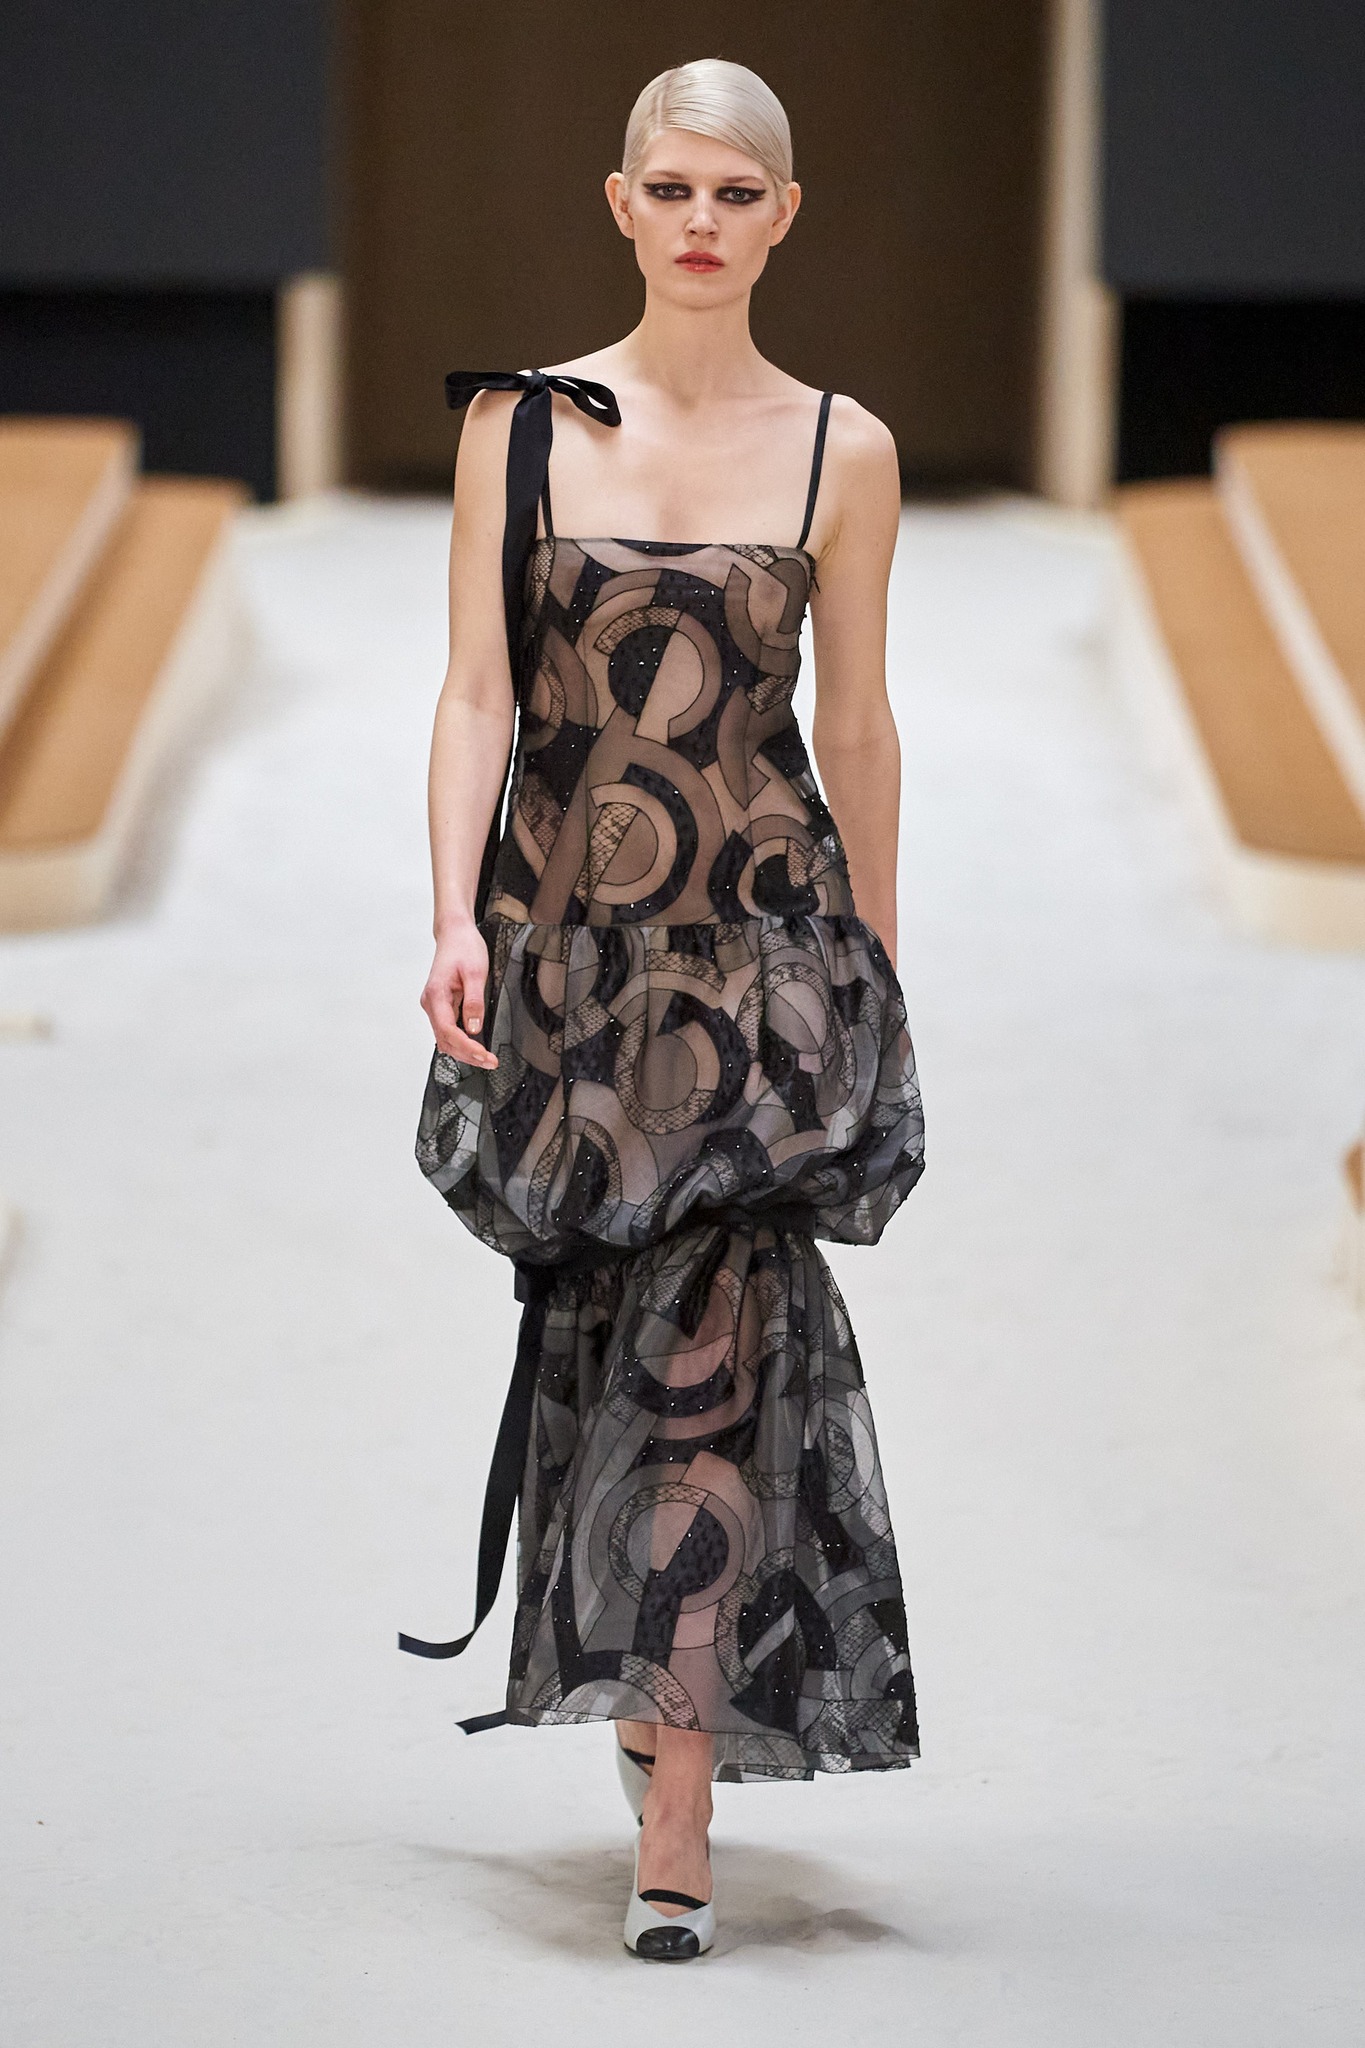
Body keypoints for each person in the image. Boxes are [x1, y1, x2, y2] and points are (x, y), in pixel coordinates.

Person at [405, 56, 925, 1962]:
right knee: (603, 1339)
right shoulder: (521, 429)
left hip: (754, 955)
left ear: (783, 217)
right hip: (570, 952)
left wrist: (872, 959)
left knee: (714, 1352)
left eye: (737, 193)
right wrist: (447, 915)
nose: (702, 222)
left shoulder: (839, 450)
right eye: (673, 188)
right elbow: (477, 693)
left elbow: (853, 724)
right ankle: (646, 1685)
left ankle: (679, 1800)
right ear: (620, 202)